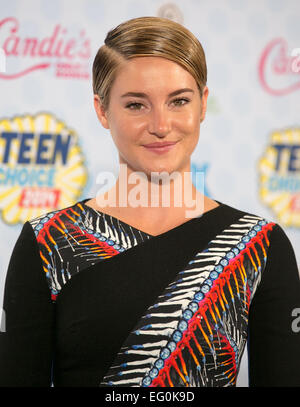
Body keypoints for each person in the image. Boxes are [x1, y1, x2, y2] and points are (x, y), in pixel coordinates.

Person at [0, 16, 300, 387]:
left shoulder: (260, 244)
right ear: (101, 110)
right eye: (136, 105)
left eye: (179, 101)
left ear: (203, 104)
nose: (161, 124)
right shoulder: (47, 242)